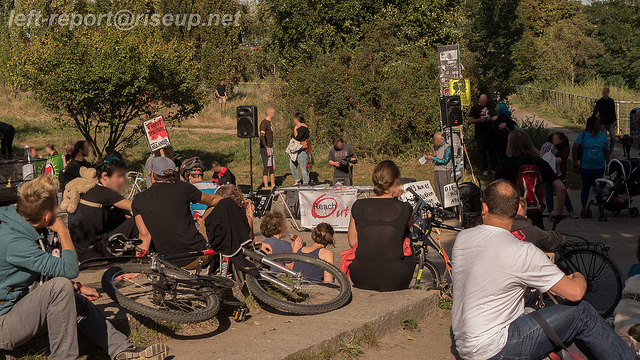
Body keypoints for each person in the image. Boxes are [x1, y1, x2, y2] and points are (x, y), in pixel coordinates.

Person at [452, 179, 636, 360]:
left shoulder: (463, 238)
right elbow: (575, 293)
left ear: (484, 207)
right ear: (517, 210)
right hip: (496, 347)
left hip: (465, 345)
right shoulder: (522, 251)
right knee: (582, 312)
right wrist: (578, 276)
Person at [0, 175, 169, 360]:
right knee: (61, 287)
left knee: (75, 300)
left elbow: (42, 271)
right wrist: (63, 231)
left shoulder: (18, 223)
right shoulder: (14, 242)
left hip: (14, 308)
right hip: (3, 324)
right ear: (48, 215)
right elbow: (70, 270)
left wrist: (78, 287)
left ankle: (123, 350)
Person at [133, 157, 221, 264]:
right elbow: (212, 200)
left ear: (151, 173)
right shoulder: (183, 188)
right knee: (213, 207)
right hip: (196, 256)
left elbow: (144, 236)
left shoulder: (139, 199)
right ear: (173, 173)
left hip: (167, 261)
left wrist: (137, 267)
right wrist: (230, 200)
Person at [347, 160, 414, 291]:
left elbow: (352, 242)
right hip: (396, 277)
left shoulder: (358, 205)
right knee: (407, 233)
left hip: (360, 275)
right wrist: (397, 198)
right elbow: (407, 225)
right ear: (395, 182)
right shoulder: (404, 208)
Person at [67, 157, 138, 262]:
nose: (122, 180)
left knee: (117, 212)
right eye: (119, 176)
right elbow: (137, 207)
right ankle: (141, 256)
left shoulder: (90, 189)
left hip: (80, 252)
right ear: (104, 176)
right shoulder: (105, 193)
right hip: (94, 253)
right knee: (137, 221)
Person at [495, 130, 565, 229]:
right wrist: (558, 211)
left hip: (512, 219)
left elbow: (496, 193)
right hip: (535, 218)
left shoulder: (504, 164)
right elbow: (561, 188)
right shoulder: (540, 163)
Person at [572, 116, 610, 218]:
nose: (599, 126)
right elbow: (574, 149)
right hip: (586, 167)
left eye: (599, 124)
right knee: (586, 186)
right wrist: (576, 164)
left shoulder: (602, 136)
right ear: (591, 125)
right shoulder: (583, 135)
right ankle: (584, 207)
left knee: (599, 186)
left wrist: (608, 164)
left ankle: (600, 206)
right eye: (597, 124)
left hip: (599, 166)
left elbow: (606, 151)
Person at [547, 132, 577, 218]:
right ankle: (550, 212)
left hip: (560, 174)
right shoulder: (549, 146)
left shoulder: (565, 148)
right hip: (549, 172)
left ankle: (571, 211)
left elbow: (562, 159)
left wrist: (551, 159)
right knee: (549, 192)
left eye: (555, 139)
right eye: (553, 139)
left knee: (563, 192)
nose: (553, 140)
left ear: (560, 141)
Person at [468, 94, 498, 176]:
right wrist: (479, 120)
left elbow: (496, 117)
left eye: (485, 101)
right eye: (483, 101)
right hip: (480, 134)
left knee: (492, 152)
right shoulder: (474, 108)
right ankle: (484, 169)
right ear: (480, 100)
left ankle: (494, 168)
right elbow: (470, 120)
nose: (484, 103)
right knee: (482, 152)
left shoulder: (490, 107)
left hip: (490, 133)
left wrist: (490, 119)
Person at [424, 132, 452, 206]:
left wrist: (433, 158)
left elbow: (445, 161)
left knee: (443, 192)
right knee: (438, 191)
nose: (435, 142)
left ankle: (447, 208)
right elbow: (438, 159)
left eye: (435, 140)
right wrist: (434, 157)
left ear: (441, 139)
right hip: (437, 170)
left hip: (444, 172)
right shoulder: (439, 147)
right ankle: (440, 207)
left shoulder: (447, 147)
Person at [289, 112, 310, 186]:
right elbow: (292, 137)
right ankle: (297, 180)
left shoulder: (304, 128)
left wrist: (295, 130)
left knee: (303, 167)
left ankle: (305, 182)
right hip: (295, 150)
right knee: (292, 166)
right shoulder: (298, 127)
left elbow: (297, 138)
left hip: (301, 150)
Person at [592, 87, 617, 152]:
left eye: (606, 92)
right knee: (604, 138)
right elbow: (595, 110)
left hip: (610, 122)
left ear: (608, 93)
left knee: (613, 137)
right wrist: (592, 118)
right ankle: (605, 150)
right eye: (603, 92)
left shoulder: (611, 101)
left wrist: (615, 120)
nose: (604, 93)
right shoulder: (600, 102)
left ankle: (611, 150)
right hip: (603, 122)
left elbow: (613, 111)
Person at [260, 108, 276, 189]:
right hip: (266, 148)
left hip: (270, 146)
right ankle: (266, 185)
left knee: (272, 166)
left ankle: (273, 184)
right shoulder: (264, 123)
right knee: (267, 166)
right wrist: (266, 148)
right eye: (273, 112)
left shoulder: (269, 123)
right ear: (270, 113)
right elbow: (262, 136)